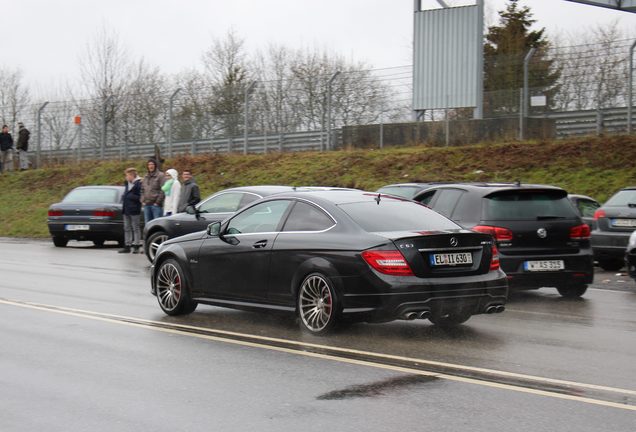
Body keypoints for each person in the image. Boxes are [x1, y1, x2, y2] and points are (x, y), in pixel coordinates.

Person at [120, 168, 143, 254]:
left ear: (132, 175)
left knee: (135, 228)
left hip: (134, 209)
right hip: (126, 208)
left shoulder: (138, 184)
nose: (126, 177)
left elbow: (140, 197)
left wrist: (130, 196)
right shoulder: (127, 184)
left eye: (127, 175)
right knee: (126, 228)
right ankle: (127, 245)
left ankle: (136, 245)